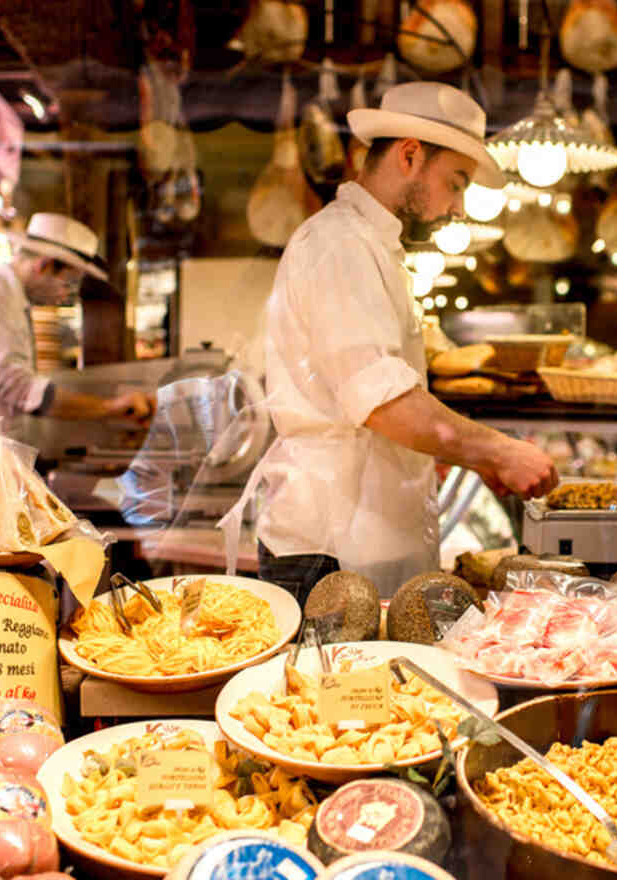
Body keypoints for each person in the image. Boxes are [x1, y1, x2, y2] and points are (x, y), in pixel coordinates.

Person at [222, 81, 559, 603]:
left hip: (363, 542)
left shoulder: (371, 247)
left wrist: (454, 453)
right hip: (331, 551)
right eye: (456, 182)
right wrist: (497, 452)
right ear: (409, 155)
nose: (457, 207)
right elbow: (384, 405)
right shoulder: (339, 245)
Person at [0, 213, 154, 431]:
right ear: (44, 265)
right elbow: (17, 387)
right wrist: (109, 408)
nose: (64, 296)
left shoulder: (9, 297)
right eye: (67, 284)